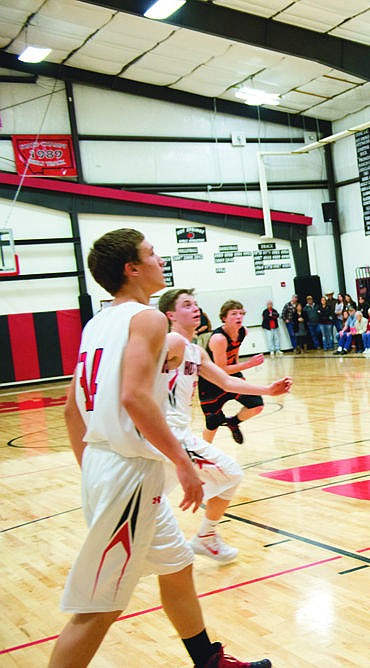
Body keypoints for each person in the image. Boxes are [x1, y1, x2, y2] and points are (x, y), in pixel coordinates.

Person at [52, 228, 269, 668]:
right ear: (132, 269)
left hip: (109, 466)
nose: (160, 260)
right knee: (100, 607)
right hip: (128, 473)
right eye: (151, 254)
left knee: (176, 564)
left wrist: (95, 468)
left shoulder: (97, 322)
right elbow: (134, 397)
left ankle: (207, 660)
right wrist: (183, 465)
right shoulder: (146, 318)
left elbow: (71, 412)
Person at [158, 289, 291, 562]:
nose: (195, 308)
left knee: (152, 498)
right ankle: (204, 537)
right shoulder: (171, 341)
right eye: (186, 305)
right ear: (170, 315)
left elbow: (228, 382)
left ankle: (202, 537)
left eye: (196, 304)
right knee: (229, 473)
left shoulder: (195, 351)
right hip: (166, 432)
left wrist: (268, 389)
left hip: (176, 431)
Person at [198, 300, 266, 445]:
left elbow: (234, 353)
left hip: (230, 375)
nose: (238, 317)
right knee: (212, 423)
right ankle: (202, 454)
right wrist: (249, 364)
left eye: (241, 313)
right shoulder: (218, 338)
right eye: (233, 314)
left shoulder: (243, 331)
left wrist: (240, 375)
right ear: (224, 318)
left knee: (256, 405)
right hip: (211, 381)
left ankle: (233, 423)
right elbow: (220, 369)